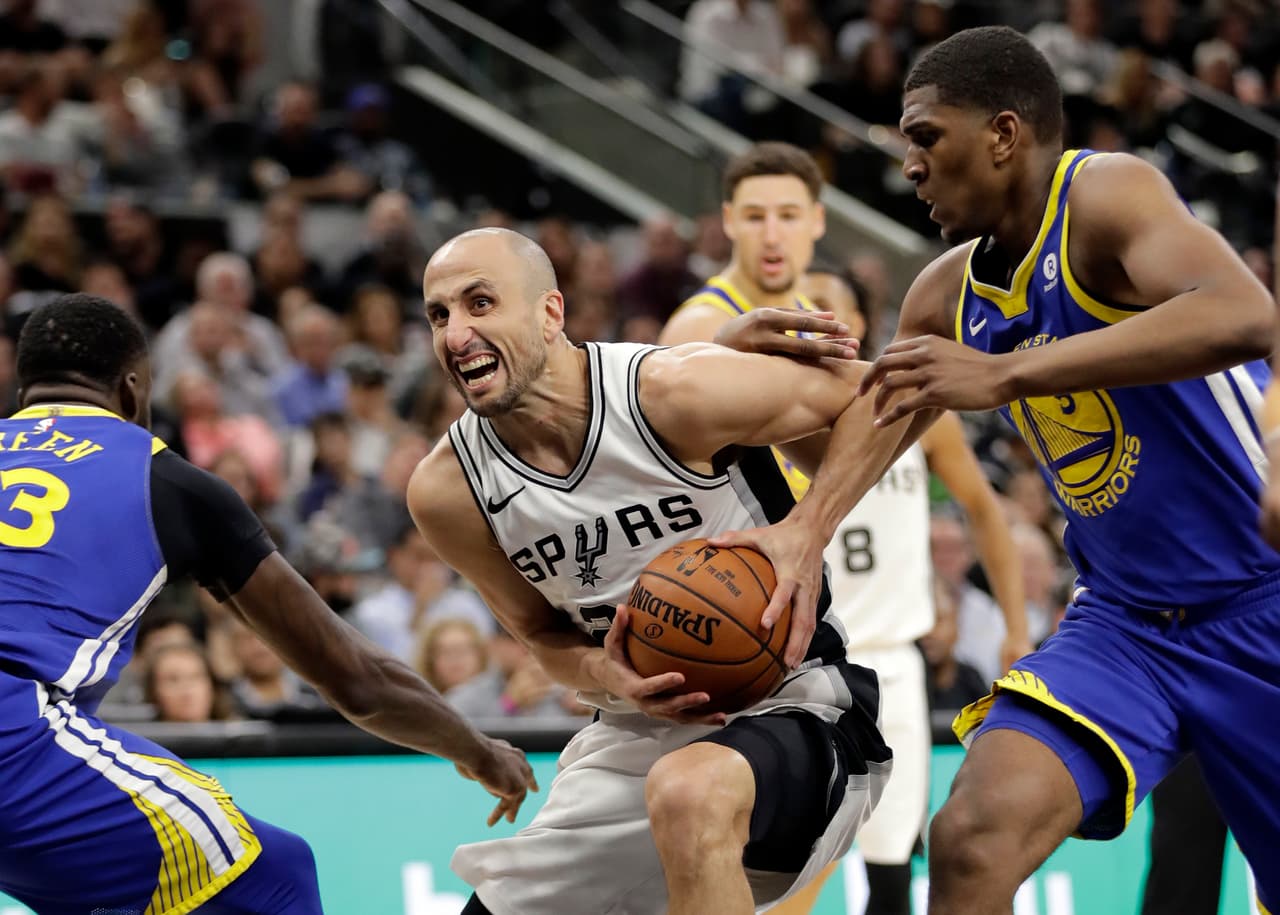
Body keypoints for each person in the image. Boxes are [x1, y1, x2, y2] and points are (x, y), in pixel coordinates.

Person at [713, 26, 1278, 913]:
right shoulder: (942, 294)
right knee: (971, 838)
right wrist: (763, 409)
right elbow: (848, 448)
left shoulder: (1107, 195)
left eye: (926, 137)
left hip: (1263, 598)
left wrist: (1007, 372)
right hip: (1128, 626)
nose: (910, 166)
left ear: (1005, 134)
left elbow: (1246, 312)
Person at [407, 227, 892, 915]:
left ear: (551, 312)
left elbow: (886, 393)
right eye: (439, 314)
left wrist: (808, 531)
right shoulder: (448, 492)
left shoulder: (672, 391)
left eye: (480, 303)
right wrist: (607, 673)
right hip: (630, 737)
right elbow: (540, 634)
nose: (457, 334)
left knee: (692, 792)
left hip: (797, 703)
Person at [0, 294, 536, 914]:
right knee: (274, 876)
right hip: (16, 735)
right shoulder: (164, 480)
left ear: (24, 394)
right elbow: (354, 677)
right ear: (131, 391)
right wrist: (479, 751)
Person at [661, 148, 1027, 915]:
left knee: (879, 869)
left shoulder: (822, 343)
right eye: (754, 214)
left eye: (789, 215)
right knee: (773, 875)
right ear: (725, 222)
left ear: (817, 223)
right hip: (756, 643)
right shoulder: (704, 323)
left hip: (859, 652)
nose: (772, 233)